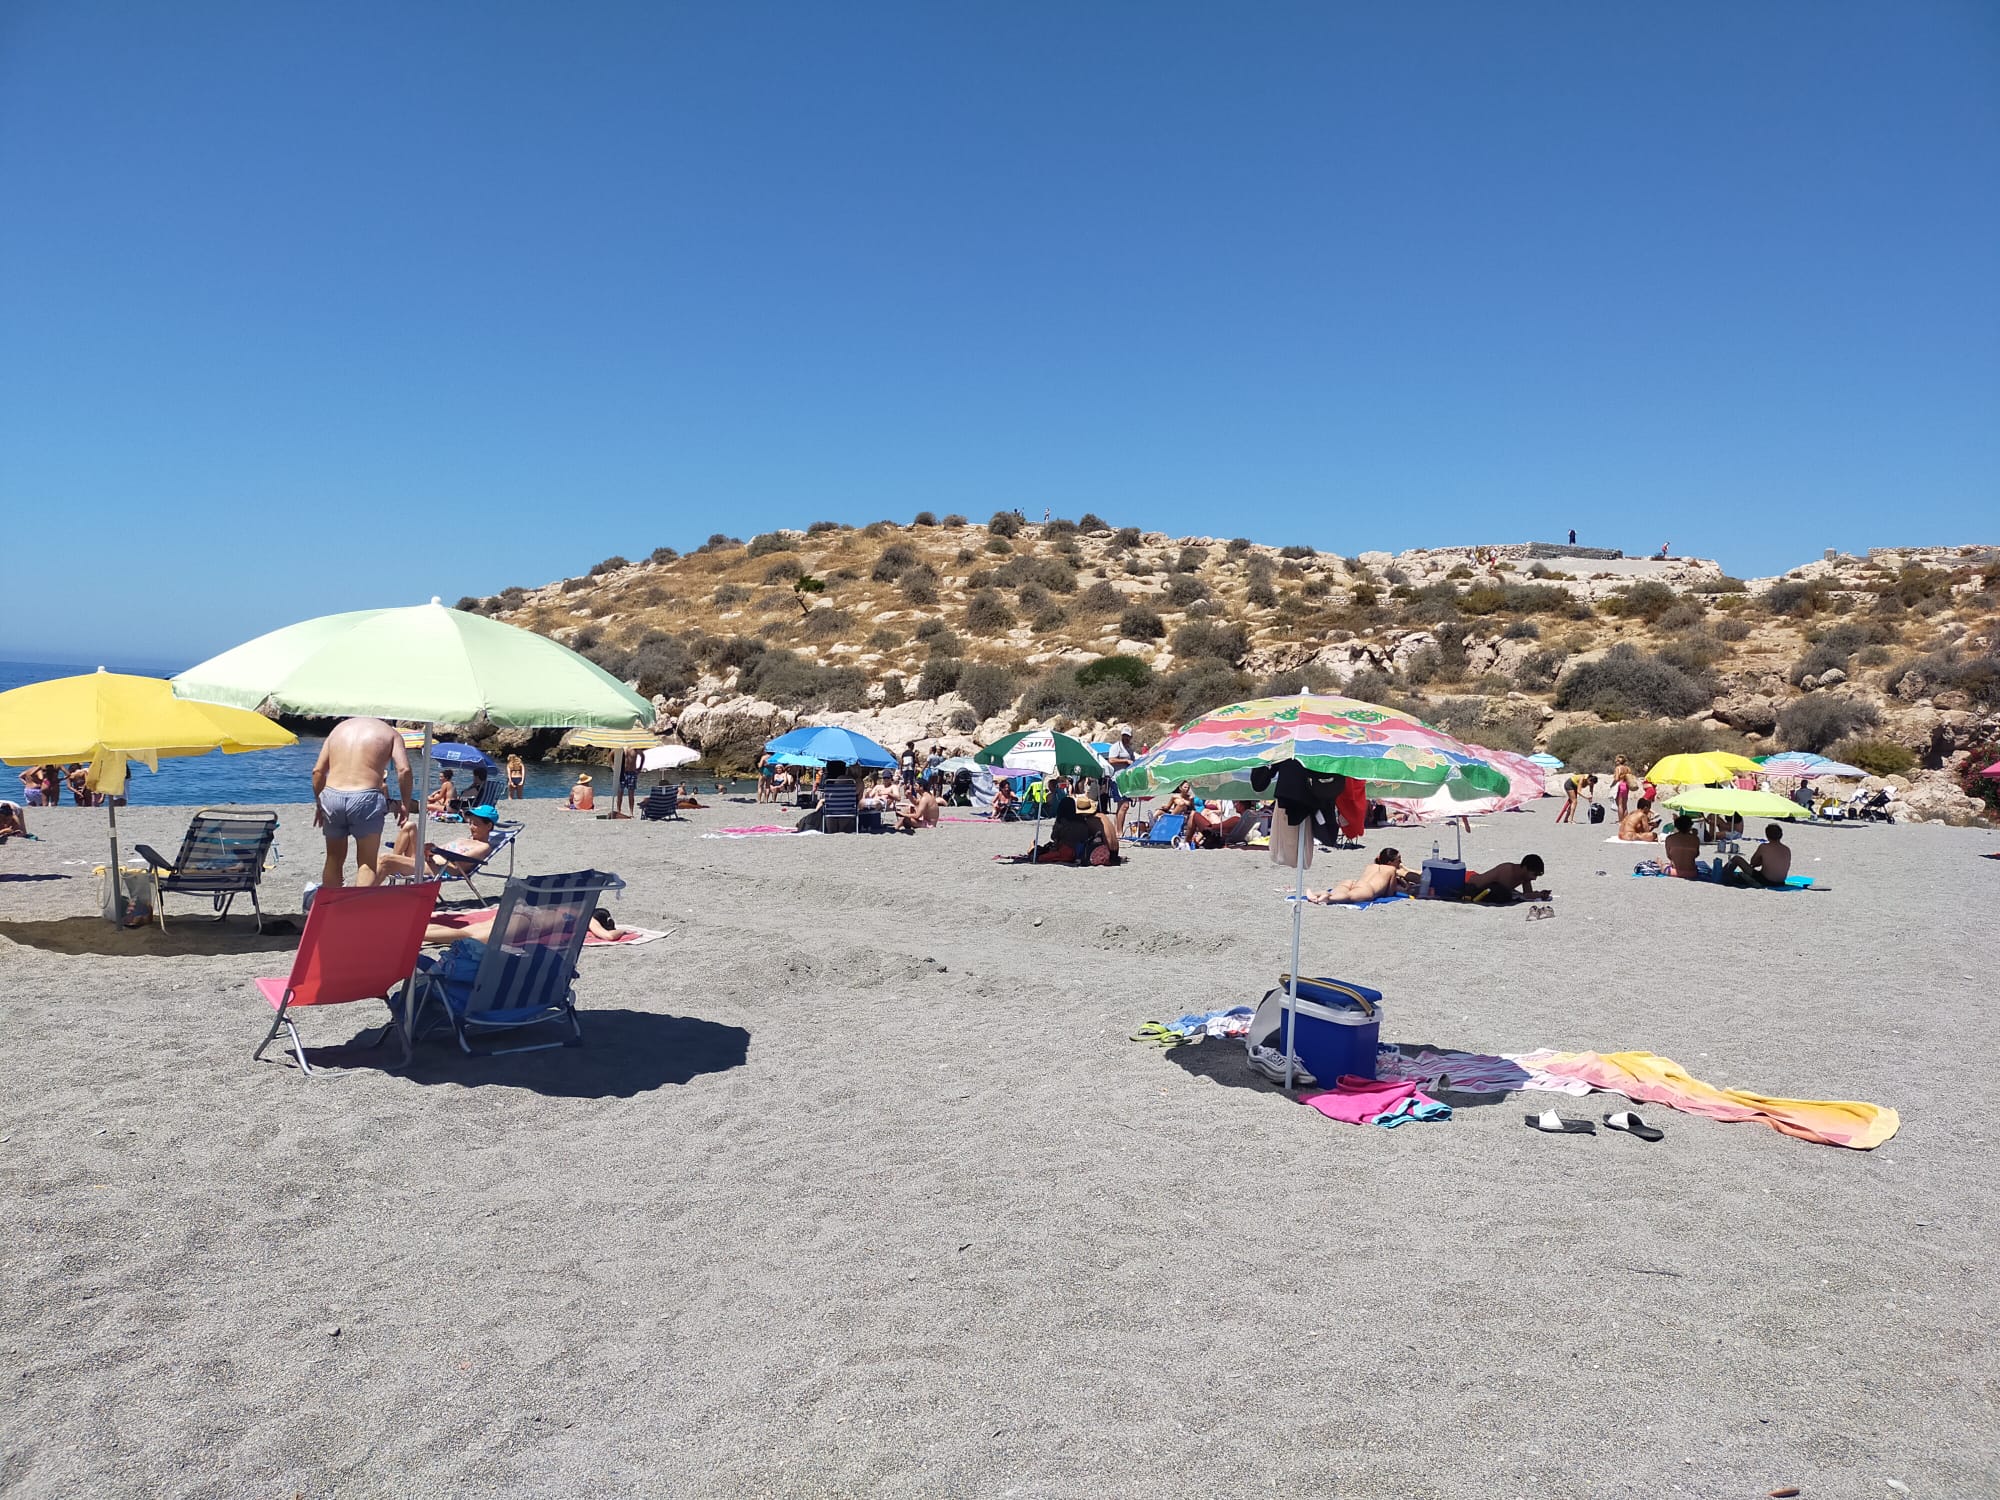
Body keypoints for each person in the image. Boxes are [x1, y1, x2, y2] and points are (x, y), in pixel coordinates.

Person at [312, 716, 415, 889]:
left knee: (333, 858)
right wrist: (405, 803)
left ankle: (331, 904)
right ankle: (357, 905)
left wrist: (319, 803)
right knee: (366, 863)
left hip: (332, 796)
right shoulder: (390, 733)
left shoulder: (338, 729)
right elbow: (404, 770)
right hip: (366, 796)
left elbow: (318, 772)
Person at [376, 805, 496, 881]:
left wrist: (435, 850)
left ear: (488, 825)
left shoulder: (483, 847)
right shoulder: (462, 839)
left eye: (476, 824)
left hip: (440, 870)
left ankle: (370, 893)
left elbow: (459, 860)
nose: (471, 827)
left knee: (385, 859)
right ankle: (394, 868)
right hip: (427, 862)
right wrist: (430, 849)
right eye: (470, 823)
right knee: (409, 826)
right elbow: (440, 850)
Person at [1309, 849, 1411, 904]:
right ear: (1389, 862)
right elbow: (1389, 894)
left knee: (1337, 892)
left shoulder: (1371, 866)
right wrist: (1405, 885)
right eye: (1398, 860)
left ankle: (1317, 894)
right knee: (1349, 897)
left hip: (1353, 882)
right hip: (1368, 889)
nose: (1400, 863)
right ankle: (1328, 899)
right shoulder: (1391, 869)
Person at [1718, 824, 1793, 887]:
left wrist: (1760, 861)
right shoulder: (1787, 849)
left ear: (1767, 835)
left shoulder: (1764, 847)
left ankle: (1722, 876)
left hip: (1765, 881)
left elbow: (1753, 862)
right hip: (1780, 882)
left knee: (1737, 859)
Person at [1464, 855, 1549, 901]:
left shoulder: (1525, 875)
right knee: (1504, 895)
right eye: (1534, 874)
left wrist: (1540, 894)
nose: (1534, 878)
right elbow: (1510, 894)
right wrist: (1535, 895)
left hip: (1475, 878)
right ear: (1525, 868)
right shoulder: (1507, 871)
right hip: (1467, 879)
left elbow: (1527, 894)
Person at [1612, 756, 1636, 820]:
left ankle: (1620, 821)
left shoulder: (1618, 768)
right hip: (1626, 786)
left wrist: (1612, 785)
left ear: (1618, 762)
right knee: (1625, 805)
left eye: (1616, 761)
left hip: (1620, 786)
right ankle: (1625, 820)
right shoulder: (1628, 768)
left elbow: (1616, 779)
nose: (1615, 762)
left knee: (1620, 805)